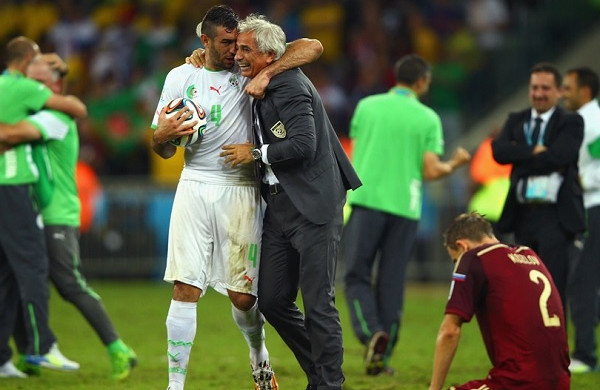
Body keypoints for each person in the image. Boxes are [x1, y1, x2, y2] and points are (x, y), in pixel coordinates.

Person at [150, 6, 323, 390]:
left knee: (243, 298)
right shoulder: (180, 76)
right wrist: (162, 136)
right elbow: (161, 148)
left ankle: (258, 355)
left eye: (238, 43)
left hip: (242, 188)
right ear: (204, 41)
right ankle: (174, 385)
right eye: (226, 43)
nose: (234, 51)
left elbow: (312, 46)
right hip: (193, 183)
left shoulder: (248, 69)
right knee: (185, 286)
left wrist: (270, 71)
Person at [221, 14, 362, 390]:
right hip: (280, 207)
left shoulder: (289, 87)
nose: (238, 55)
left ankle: (330, 384)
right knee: (272, 299)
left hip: (314, 206)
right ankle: (318, 374)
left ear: (269, 55)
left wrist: (255, 153)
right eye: (237, 48)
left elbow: (303, 146)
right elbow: (306, 47)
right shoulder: (264, 78)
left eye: (246, 49)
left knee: (318, 303)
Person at [0, 56, 137, 380]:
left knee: (68, 283)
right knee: (16, 279)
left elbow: (15, 133)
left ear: (56, 86)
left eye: (38, 83)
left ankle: (118, 347)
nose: (31, 89)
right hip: (31, 210)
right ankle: (27, 353)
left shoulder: (57, 116)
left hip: (57, 213)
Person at [342, 54, 471, 376]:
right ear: (423, 81)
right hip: (405, 209)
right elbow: (430, 169)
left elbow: (358, 151)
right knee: (391, 282)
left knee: (356, 274)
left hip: (367, 201)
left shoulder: (366, 107)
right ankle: (382, 359)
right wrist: (454, 164)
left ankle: (373, 335)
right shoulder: (428, 118)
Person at [0, 36, 86, 378]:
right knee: (34, 267)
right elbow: (77, 108)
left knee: (5, 275)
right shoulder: (27, 91)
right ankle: (41, 346)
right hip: (14, 188)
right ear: (27, 64)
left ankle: (1, 358)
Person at [428, 212, 570, 390]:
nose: (457, 264)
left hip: (519, 382)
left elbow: (450, 331)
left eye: (455, 260)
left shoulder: (473, 258)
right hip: (561, 382)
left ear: (462, 246)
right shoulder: (530, 255)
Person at [491, 62, 585, 310]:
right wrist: (534, 151)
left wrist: (519, 158)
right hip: (523, 215)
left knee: (553, 287)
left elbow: (561, 156)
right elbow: (499, 152)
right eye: (534, 88)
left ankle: (555, 346)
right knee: (524, 287)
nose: (539, 94)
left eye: (545, 88)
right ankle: (528, 347)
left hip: (555, 216)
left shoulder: (571, 121)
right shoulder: (516, 119)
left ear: (558, 91)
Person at [562, 66, 600, 374]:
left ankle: (585, 356)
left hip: (593, 205)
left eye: (568, 87)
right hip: (588, 206)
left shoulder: (593, 122)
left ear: (584, 91)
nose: (563, 92)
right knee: (583, 281)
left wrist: (580, 180)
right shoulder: (583, 121)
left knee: (581, 281)